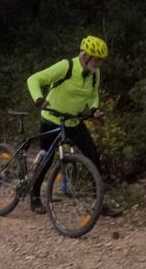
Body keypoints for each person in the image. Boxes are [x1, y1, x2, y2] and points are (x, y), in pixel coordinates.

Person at [25, 36, 119, 216]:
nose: (99, 63)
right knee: (47, 158)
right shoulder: (66, 66)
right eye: (97, 59)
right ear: (86, 56)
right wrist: (38, 99)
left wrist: (93, 109)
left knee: (93, 156)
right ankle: (35, 196)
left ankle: (98, 202)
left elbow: (93, 95)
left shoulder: (94, 73)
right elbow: (34, 79)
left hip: (74, 121)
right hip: (52, 119)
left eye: (101, 60)